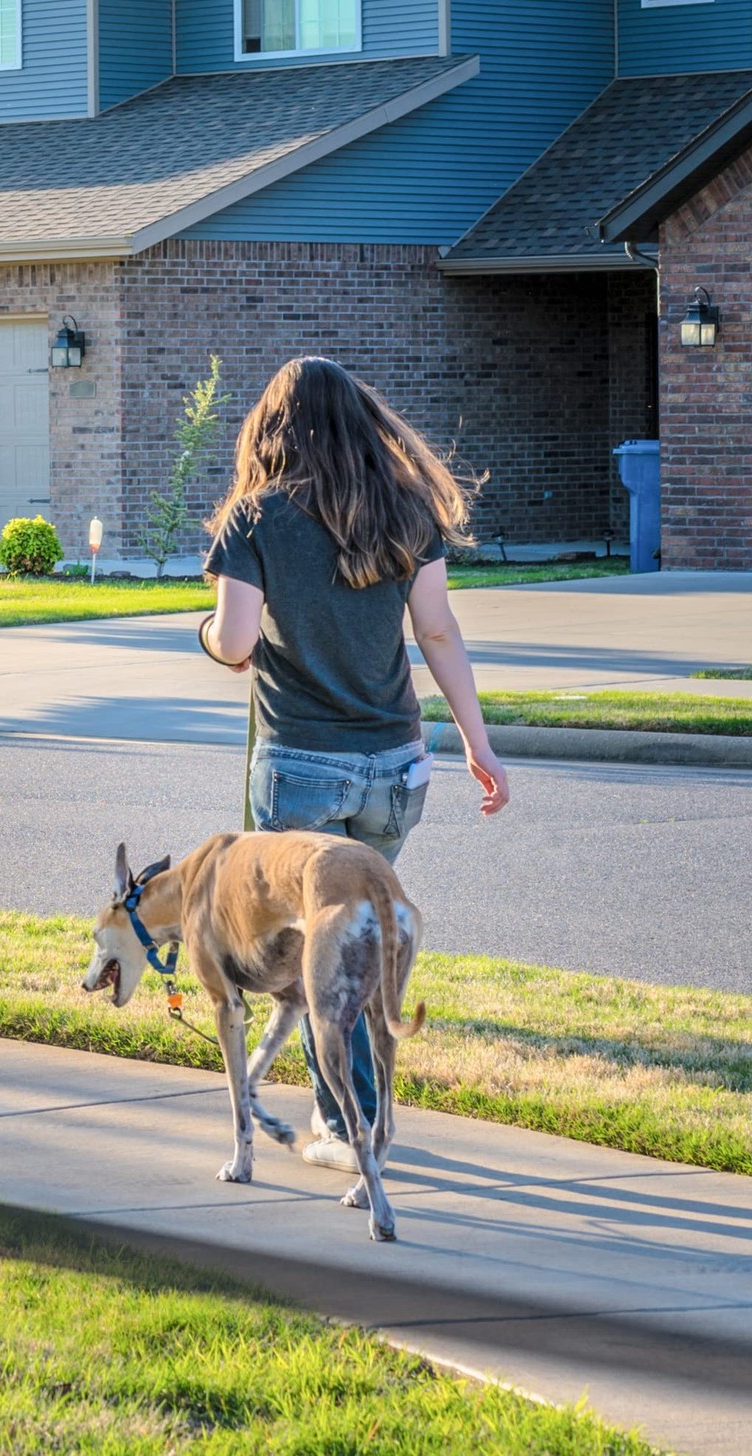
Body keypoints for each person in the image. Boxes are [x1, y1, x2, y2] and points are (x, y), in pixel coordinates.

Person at [198, 356, 509, 1173]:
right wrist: (479, 743)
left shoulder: (254, 516)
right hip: (396, 772)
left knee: (316, 957)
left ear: (271, 428)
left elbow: (234, 641)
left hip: (299, 766)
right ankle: (353, 1111)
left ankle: (347, 1124)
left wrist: (208, 636)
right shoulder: (406, 508)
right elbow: (437, 631)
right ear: (364, 424)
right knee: (354, 945)